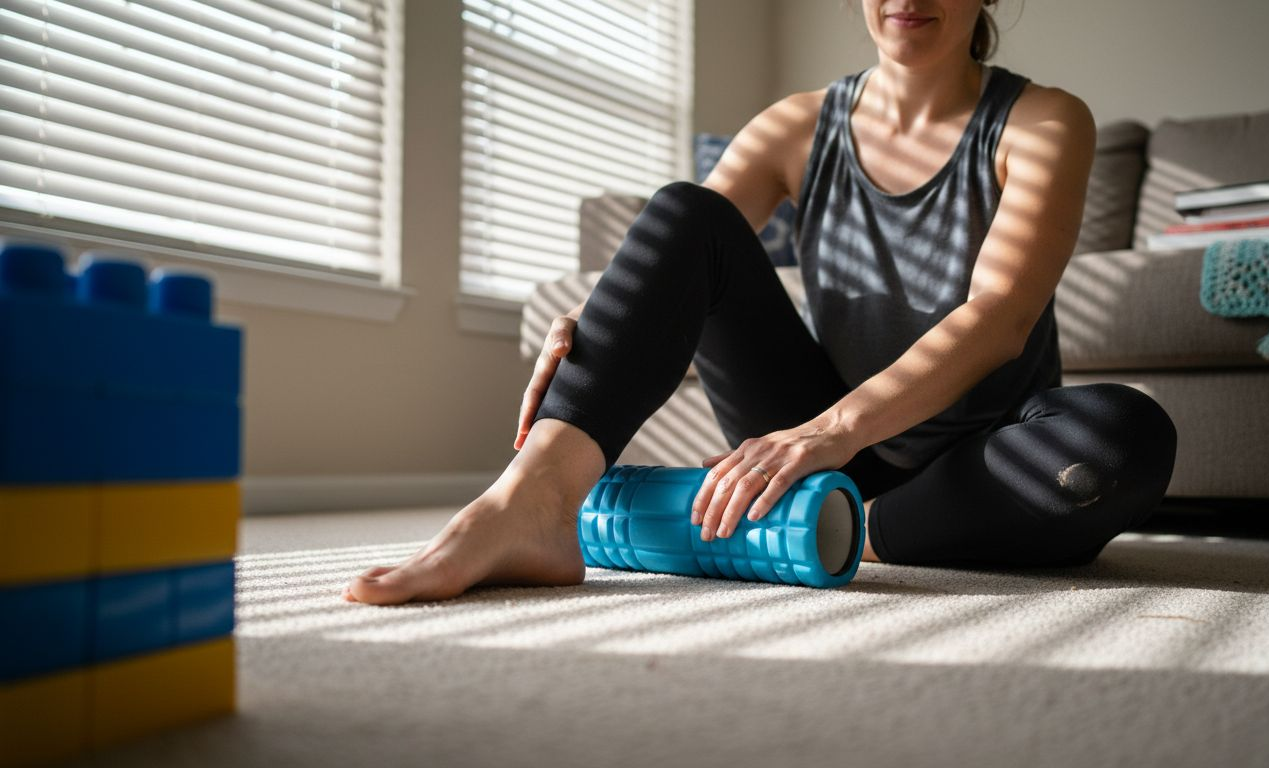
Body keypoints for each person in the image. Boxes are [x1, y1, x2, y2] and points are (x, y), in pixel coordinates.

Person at [343, 0, 1177, 605]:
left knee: (1124, 437)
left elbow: (999, 318)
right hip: (816, 436)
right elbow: (677, 254)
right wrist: (586, 323)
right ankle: (532, 503)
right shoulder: (796, 126)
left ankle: (862, 526)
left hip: (970, 457)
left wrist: (828, 434)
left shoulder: (1043, 121)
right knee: (684, 209)